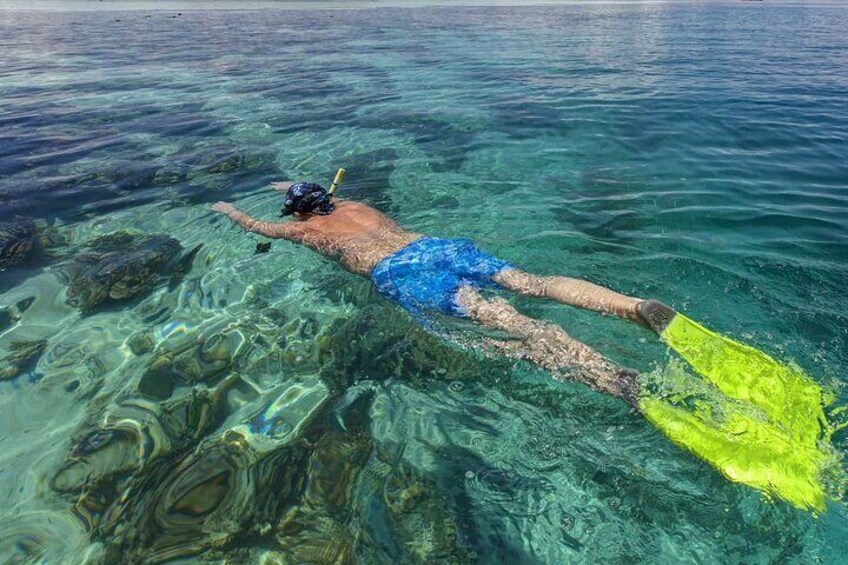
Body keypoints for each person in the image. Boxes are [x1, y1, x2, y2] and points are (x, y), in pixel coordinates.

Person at [212, 181, 671, 407]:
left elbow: (257, 226)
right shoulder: (355, 205)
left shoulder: (304, 231)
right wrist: (292, 187)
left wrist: (230, 210)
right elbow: (316, 197)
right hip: (435, 246)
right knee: (532, 283)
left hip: (403, 272)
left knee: (510, 325)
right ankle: (633, 307)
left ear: (298, 214)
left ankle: (613, 379)